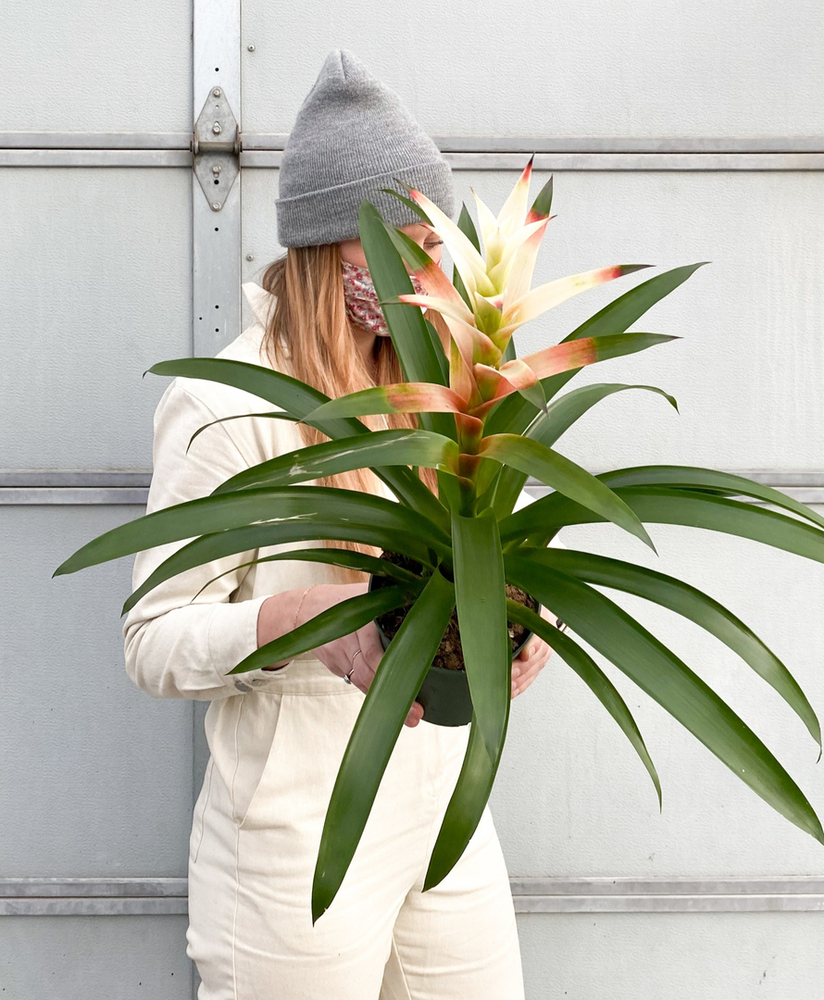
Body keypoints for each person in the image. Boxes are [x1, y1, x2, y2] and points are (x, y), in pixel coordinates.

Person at [123, 49, 560, 999]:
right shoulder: (223, 408)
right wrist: (309, 627)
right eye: (402, 245)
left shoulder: (440, 388)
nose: (430, 272)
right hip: (296, 839)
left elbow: (486, 554)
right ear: (330, 248)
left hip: (444, 811)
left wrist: (526, 632)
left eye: (437, 241)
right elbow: (151, 643)